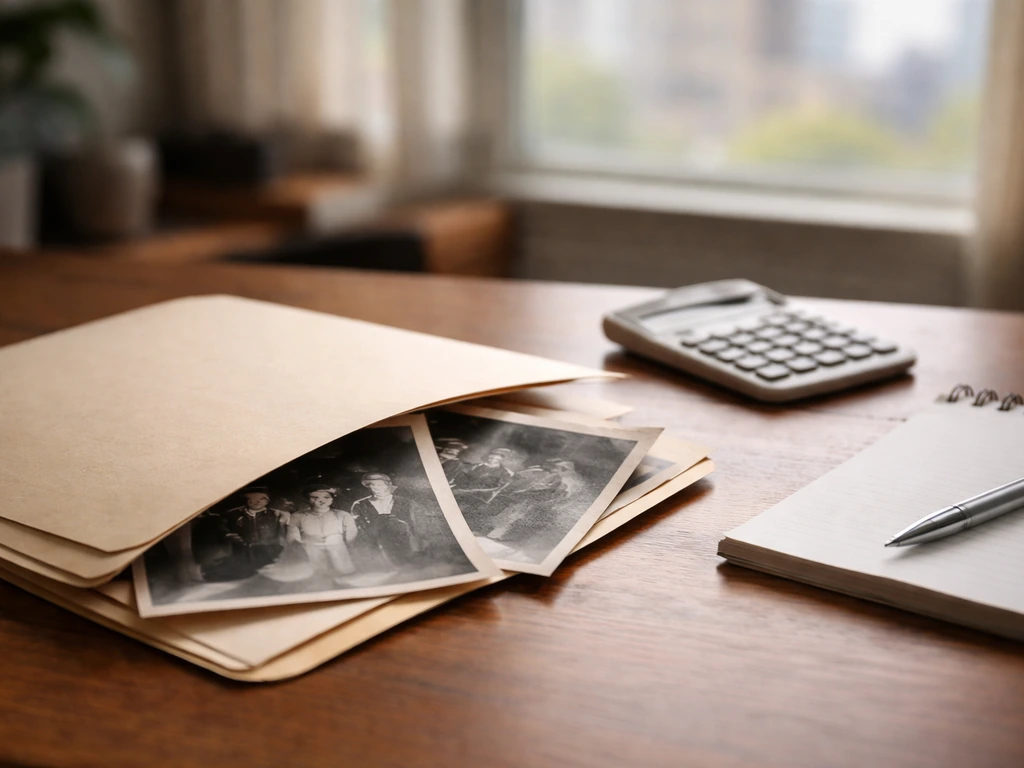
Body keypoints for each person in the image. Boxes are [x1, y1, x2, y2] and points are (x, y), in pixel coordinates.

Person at [201, 487, 289, 581]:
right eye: (252, 499)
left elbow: (284, 533)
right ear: (246, 500)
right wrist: (228, 535)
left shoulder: (277, 514)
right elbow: (221, 528)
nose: (257, 502)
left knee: (269, 575)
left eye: (262, 499)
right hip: (242, 552)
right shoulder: (232, 514)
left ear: (268, 500)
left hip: (269, 551)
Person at [484, 459, 582, 542]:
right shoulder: (553, 476)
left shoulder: (562, 480)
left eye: (559, 468)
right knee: (513, 515)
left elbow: (549, 490)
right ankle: (496, 534)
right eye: (557, 467)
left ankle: (503, 536)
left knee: (518, 517)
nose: (556, 469)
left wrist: (529, 491)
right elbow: (538, 485)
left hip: (537, 501)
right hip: (530, 499)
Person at [351, 473, 430, 568]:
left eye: (380, 485)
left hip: (407, 544)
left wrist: (419, 542)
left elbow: (419, 524)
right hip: (378, 546)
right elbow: (360, 527)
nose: (376, 488)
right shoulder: (360, 504)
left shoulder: (407, 502)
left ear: (388, 484)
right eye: (372, 485)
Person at [286, 484, 358, 576]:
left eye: (326, 497)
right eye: (315, 497)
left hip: (338, 550)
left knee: (344, 573)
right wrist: (299, 550)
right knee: (317, 576)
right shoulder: (297, 516)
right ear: (308, 499)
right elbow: (292, 535)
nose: (321, 500)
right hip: (310, 550)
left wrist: (350, 546)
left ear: (332, 499)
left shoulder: (342, 515)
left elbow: (351, 533)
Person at [451, 448, 515, 530]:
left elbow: (495, 488)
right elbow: (463, 477)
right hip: (463, 491)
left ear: (502, 460)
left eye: (496, 459)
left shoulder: (506, 473)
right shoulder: (478, 466)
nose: (491, 460)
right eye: (491, 457)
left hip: (480, 497)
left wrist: (467, 490)